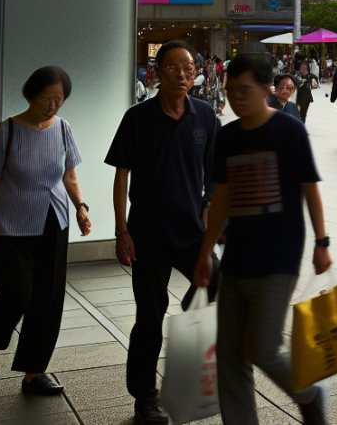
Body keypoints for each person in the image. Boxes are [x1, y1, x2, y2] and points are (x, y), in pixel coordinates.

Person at [191, 55, 330, 425]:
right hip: (236, 256)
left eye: (244, 90)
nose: (236, 98)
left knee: (263, 347)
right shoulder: (228, 137)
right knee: (230, 356)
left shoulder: (288, 130)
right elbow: (221, 197)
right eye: (230, 90)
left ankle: (308, 392)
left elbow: (309, 187)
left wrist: (323, 241)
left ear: (267, 88)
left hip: (279, 256)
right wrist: (206, 253)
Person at [105, 40, 221, 425]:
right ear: (156, 72)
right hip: (149, 234)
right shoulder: (137, 118)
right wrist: (121, 230)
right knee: (149, 319)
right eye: (174, 68)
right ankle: (145, 398)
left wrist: (209, 206)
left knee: (217, 278)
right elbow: (121, 175)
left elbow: (214, 174)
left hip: (191, 232)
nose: (183, 74)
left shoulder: (205, 115)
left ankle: (187, 321)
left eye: (189, 68)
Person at [0, 66, 90, 395]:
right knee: (17, 293)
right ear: (31, 94)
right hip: (11, 226)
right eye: (46, 98)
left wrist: (81, 206)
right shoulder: (7, 131)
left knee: (47, 300)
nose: (53, 105)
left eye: (59, 99)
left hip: (54, 221)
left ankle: (34, 374)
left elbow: (70, 176)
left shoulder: (64, 129)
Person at [294, 59, 317, 125]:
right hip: (297, 97)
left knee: (303, 113)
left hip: (306, 98)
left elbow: (315, 84)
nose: (303, 69)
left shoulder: (311, 76)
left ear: (307, 68)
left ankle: (301, 126)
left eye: (304, 68)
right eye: (301, 67)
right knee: (296, 113)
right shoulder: (297, 75)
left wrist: (314, 84)